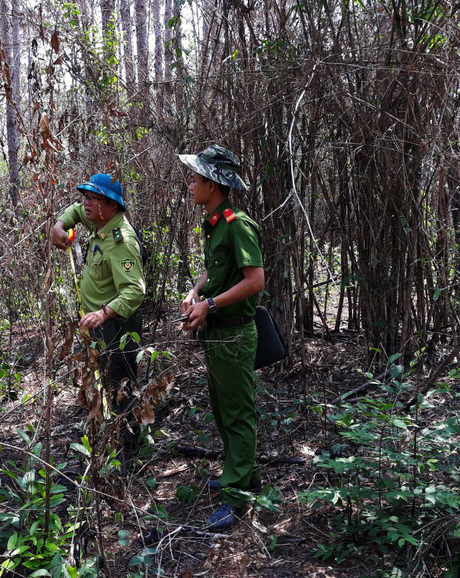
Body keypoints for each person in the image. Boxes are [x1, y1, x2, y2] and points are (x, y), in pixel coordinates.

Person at [178, 145, 265, 530]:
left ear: (213, 185)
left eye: (195, 179)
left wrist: (210, 305)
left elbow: (254, 280)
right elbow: (216, 273)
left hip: (233, 335)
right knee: (222, 410)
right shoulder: (215, 224)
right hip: (216, 335)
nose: (190, 184)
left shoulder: (237, 223)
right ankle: (244, 475)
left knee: (237, 414)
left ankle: (236, 495)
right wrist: (196, 293)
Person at [50, 173, 146, 416]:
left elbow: (135, 291)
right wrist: (58, 226)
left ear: (112, 205)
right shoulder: (98, 219)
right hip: (96, 324)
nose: (87, 203)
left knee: (120, 388)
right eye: (86, 197)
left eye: (95, 199)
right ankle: (106, 436)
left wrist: (103, 314)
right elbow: (74, 210)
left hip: (116, 327)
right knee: (100, 385)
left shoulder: (121, 241)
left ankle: (128, 446)